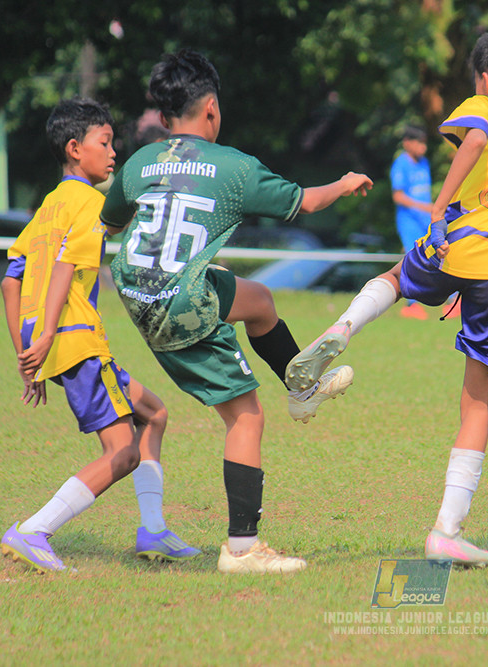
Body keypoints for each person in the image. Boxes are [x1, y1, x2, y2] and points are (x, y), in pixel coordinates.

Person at [285, 29, 488, 568]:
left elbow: (473, 140)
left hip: (458, 243)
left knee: (397, 277)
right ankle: (447, 531)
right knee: (477, 402)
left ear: (486, 79)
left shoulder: (486, 106)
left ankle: (343, 328)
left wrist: (440, 208)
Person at [101, 49, 373, 575]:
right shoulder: (233, 167)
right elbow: (305, 202)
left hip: (137, 290)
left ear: (164, 114)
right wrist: (344, 183)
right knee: (246, 416)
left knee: (260, 301)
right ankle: (243, 548)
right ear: (211, 109)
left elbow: (112, 222)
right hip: (180, 301)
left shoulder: (139, 162)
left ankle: (302, 385)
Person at [0, 98, 199, 573]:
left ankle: (153, 530)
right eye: (104, 143)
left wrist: (28, 355)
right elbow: (67, 266)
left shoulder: (48, 206)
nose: (113, 153)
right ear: (75, 148)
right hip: (76, 339)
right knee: (123, 452)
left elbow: (11, 280)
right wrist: (50, 333)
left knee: (154, 414)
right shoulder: (92, 203)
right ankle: (34, 530)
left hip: (52, 343)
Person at [390, 125, 433, 320]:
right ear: (407, 143)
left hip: (426, 220)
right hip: (409, 222)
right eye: (419, 142)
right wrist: (424, 207)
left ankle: (452, 301)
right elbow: (398, 196)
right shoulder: (400, 164)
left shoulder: (424, 163)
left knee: (438, 256)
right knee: (413, 261)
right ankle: (411, 305)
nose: (423, 147)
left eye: (425, 142)